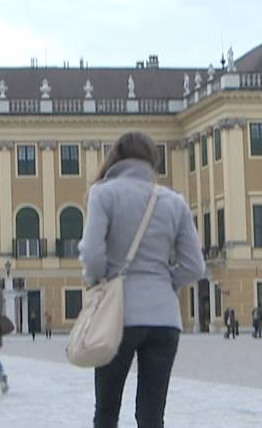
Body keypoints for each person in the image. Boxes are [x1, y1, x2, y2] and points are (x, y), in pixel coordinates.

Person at [78, 132, 205, 428]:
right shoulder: (174, 201)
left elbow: (93, 255)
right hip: (164, 319)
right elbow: (194, 266)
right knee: (151, 415)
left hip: (117, 316)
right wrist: (164, 283)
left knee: (107, 412)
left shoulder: (104, 193)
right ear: (152, 161)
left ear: (116, 158)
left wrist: (98, 282)